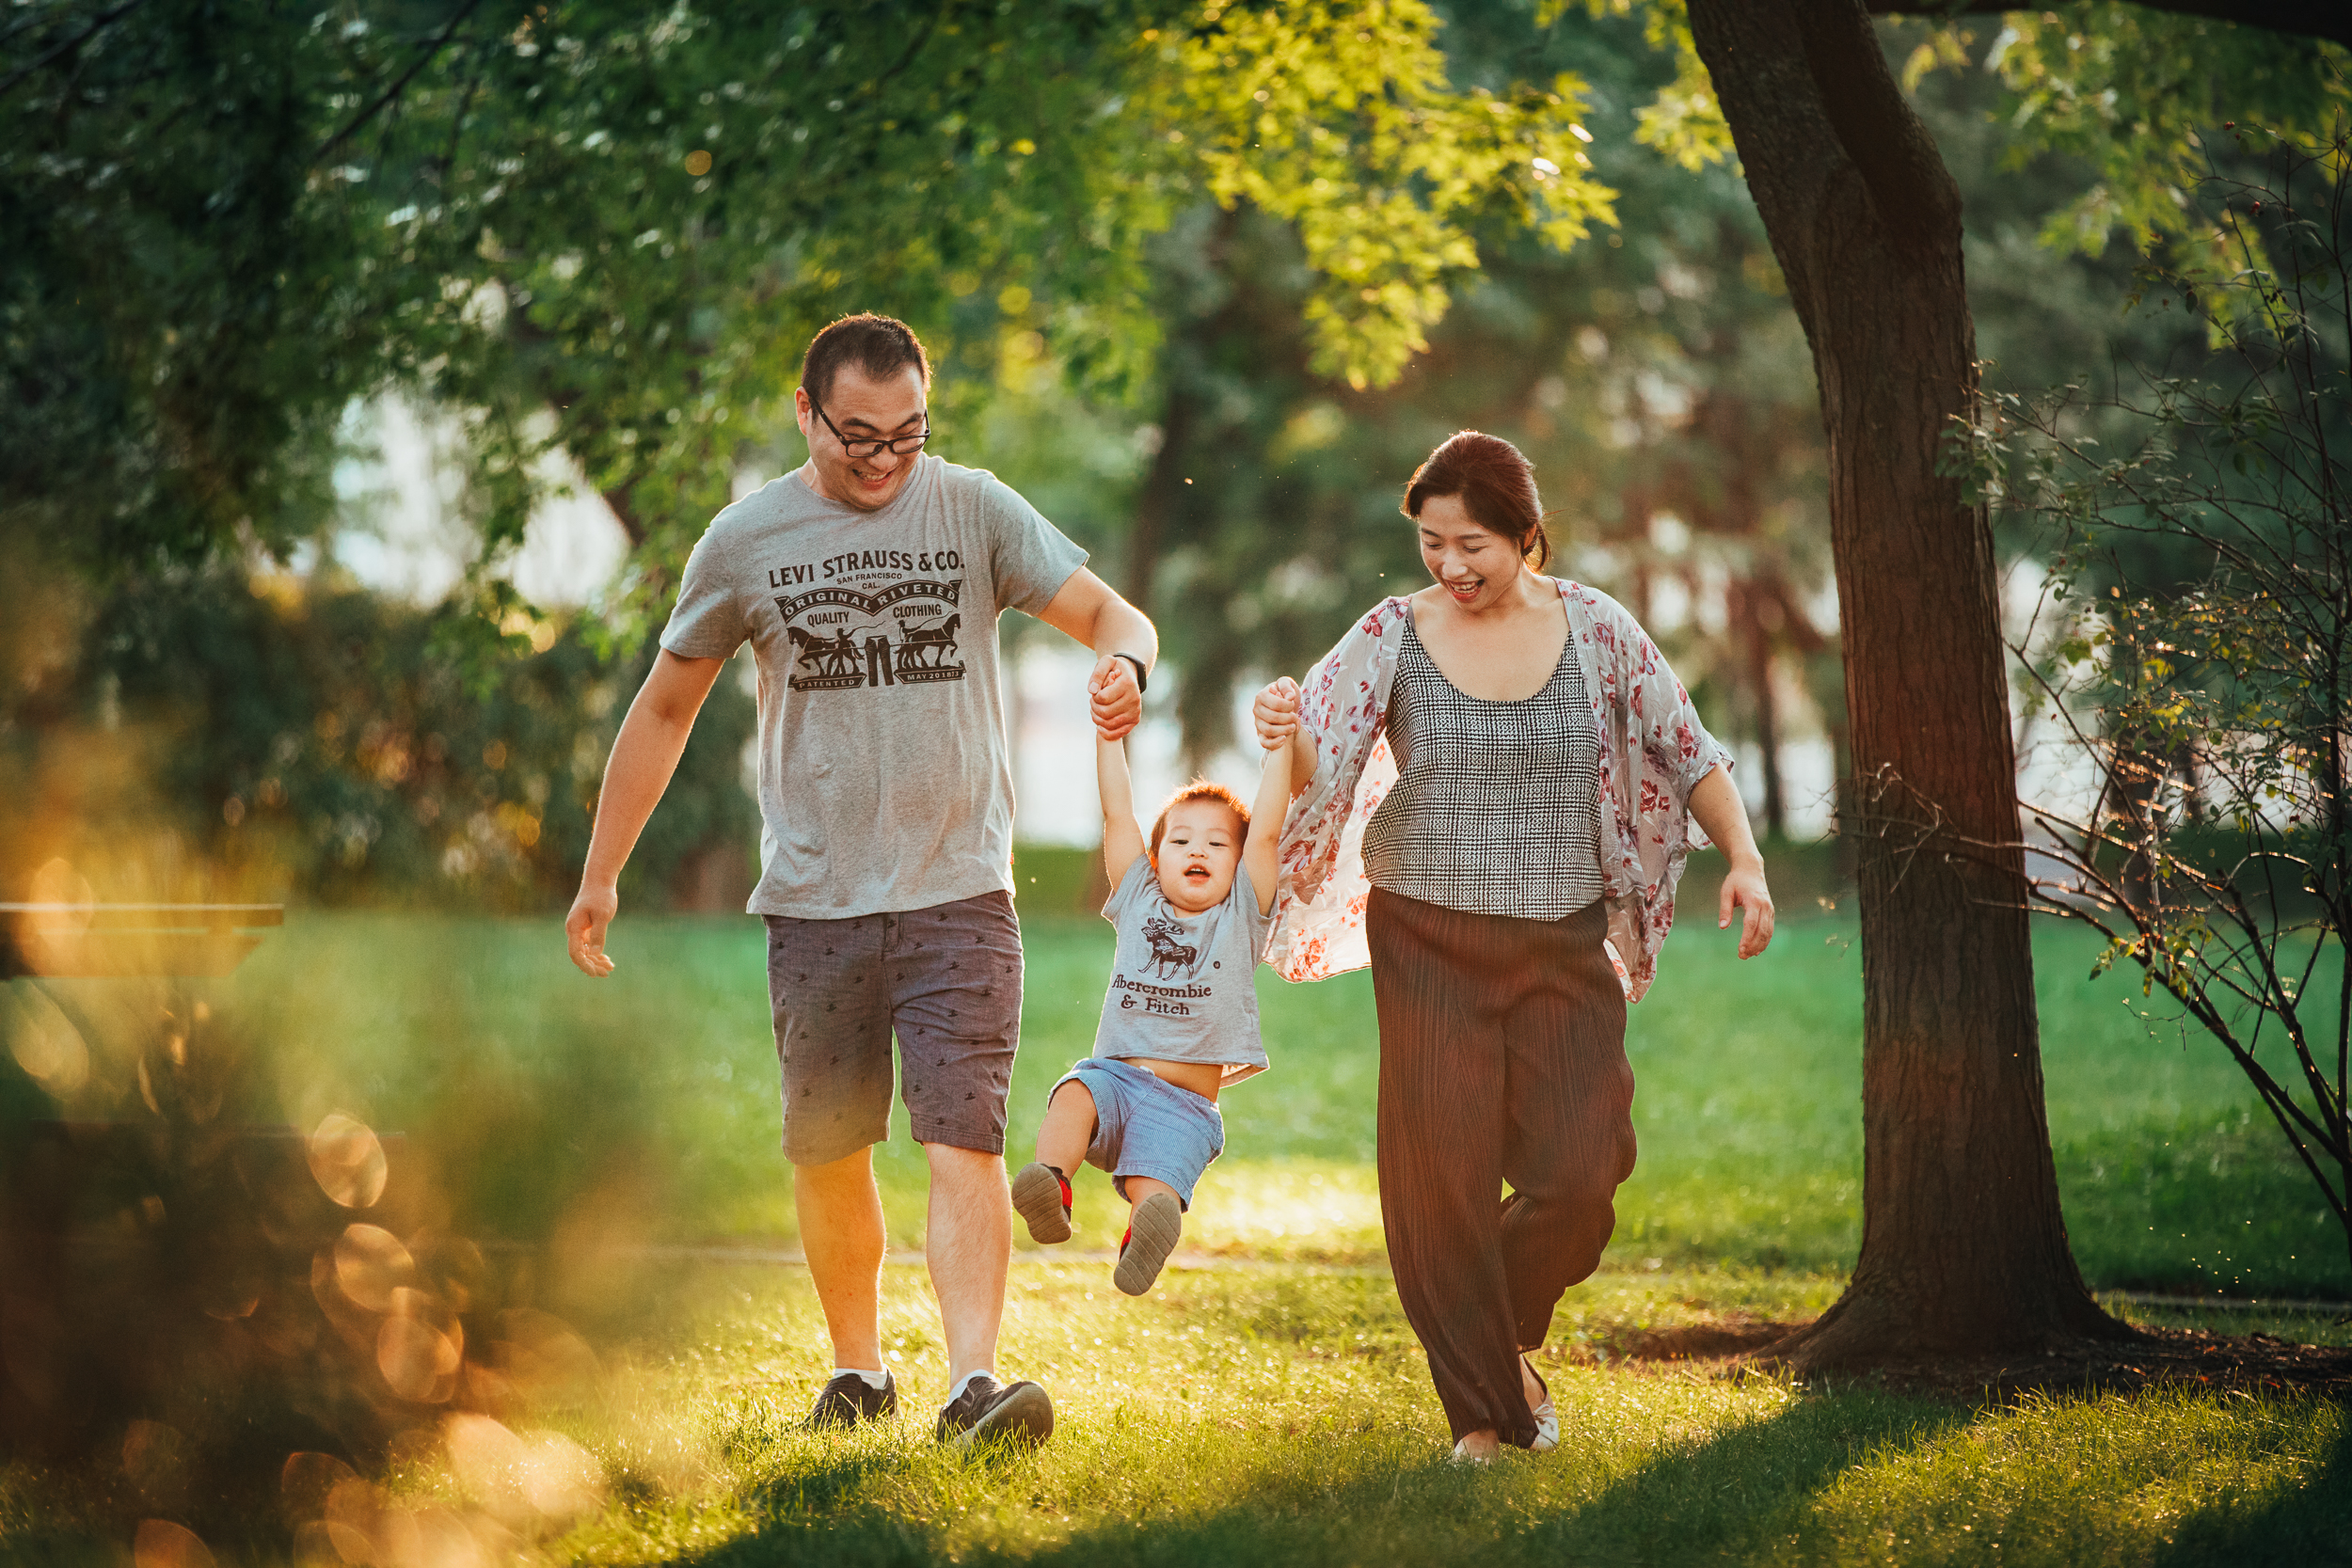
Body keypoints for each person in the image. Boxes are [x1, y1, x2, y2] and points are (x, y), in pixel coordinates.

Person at [564, 312, 1158, 1449]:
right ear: (805, 414)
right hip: (816, 899)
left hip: (960, 891)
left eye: (907, 434)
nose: (885, 460)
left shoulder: (973, 504)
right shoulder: (746, 537)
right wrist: (602, 873)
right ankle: (859, 1370)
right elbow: (666, 706)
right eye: (857, 438)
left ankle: (973, 1385)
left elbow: (1112, 616)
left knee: (961, 1140)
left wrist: (1124, 666)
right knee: (829, 1148)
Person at [1252, 431, 1774, 1463]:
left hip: (1559, 939)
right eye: (1432, 543)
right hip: (1427, 936)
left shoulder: (1596, 628)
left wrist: (1746, 858)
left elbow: (1686, 742)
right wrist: (1282, 720)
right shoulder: (1391, 631)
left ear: (1527, 534)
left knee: (1585, 1170)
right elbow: (1322, 747)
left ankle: (1494, 1322)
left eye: (1473, 544)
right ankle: (1485, 1415)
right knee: (1439, 1178)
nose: (1450, 566)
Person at [1009, 704, 1297, 1295]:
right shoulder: (1139, 897)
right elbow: (1118, 814)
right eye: (1181, 840)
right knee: (1072, 1094)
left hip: (1182, 1107)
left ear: (1240, 865)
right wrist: (1107, 738)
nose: (1198, 850)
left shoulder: (1241, 913)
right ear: (1155, 859)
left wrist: (1281, 744)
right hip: (1114, 1078)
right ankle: (1051, 1182)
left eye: (1219, 843)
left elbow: (1267, 829)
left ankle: (1146, 1231)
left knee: (1154, 1182)